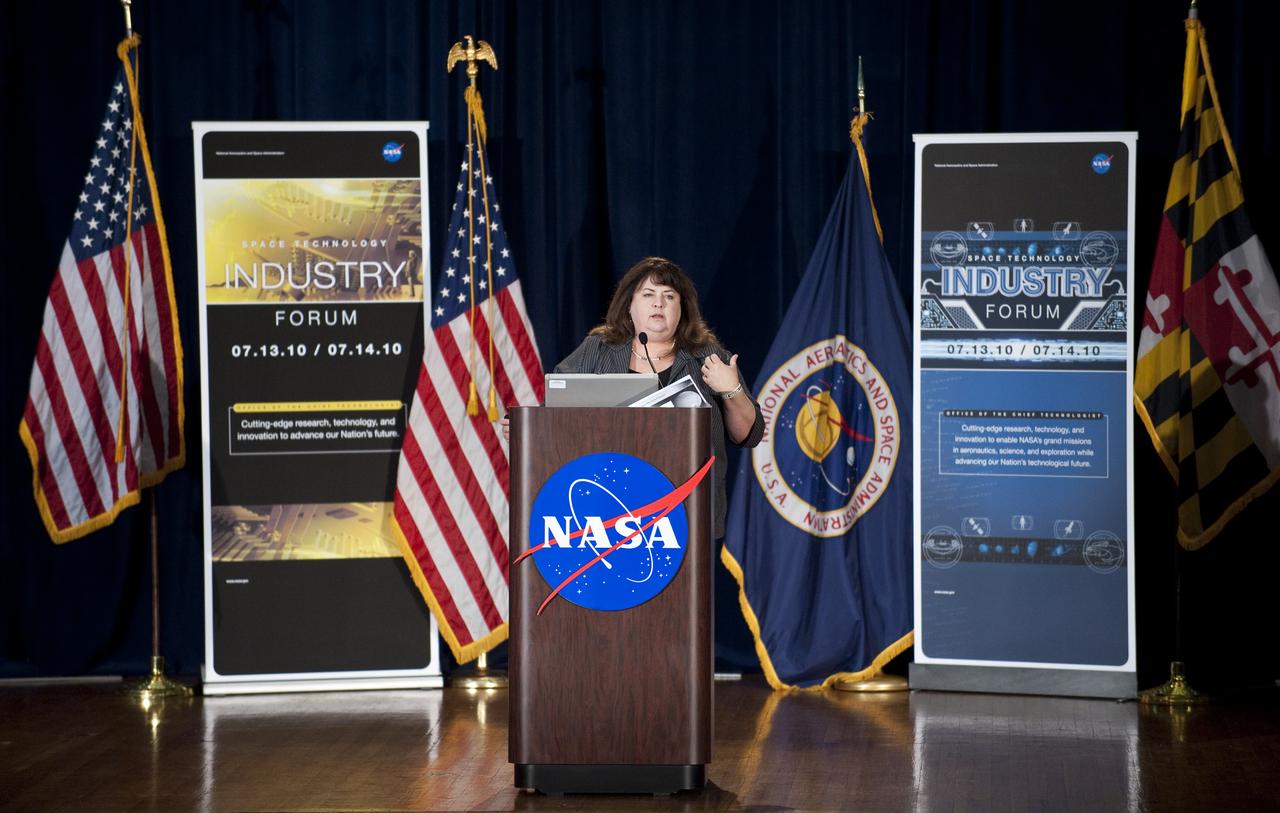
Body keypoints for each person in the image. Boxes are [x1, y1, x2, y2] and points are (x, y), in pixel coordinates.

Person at [509, 256, 763, 540]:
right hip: (605, 514)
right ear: (629, 305)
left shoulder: (706, 355)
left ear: (683, 309)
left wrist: (731, 390)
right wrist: (526, 427)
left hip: (687, 512)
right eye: (648, 295)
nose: (659, 303)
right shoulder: (598, 349)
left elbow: (748, 435)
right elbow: (557, 410)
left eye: (669, 296)